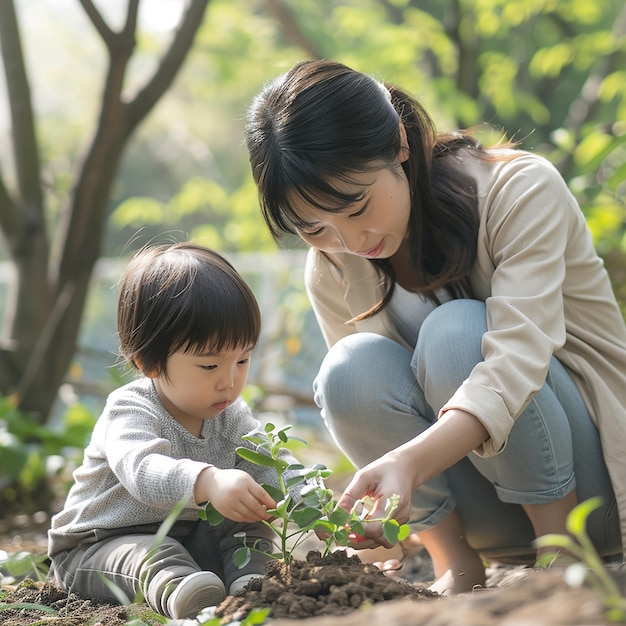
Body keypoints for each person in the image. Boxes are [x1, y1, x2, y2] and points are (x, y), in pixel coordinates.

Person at [244, 59, 626, 594]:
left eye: (357, 207)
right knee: (348, 370)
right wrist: (380, 514)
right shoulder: (332, 267)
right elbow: (368, 404)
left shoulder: (517, 191)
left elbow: (516, 360)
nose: (351, 241)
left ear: (399, 143)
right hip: (485, 517)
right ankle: (456, 565)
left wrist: (407, 461)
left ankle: (562, 554)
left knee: (455, 333)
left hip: (597, 492)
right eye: (315, 227)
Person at [48, 243, 305, 619]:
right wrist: (208, 481)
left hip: (191, 536)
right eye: (209, 365)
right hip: (100, 547)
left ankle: (251, 583)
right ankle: (182, 591)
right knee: (150, 555)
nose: (229, 382)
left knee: (250, 522)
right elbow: (143, 470)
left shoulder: (231, 414)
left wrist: (322, 504)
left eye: (243, 359)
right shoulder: (130, 408)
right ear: (148, 361)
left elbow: (274, 463)